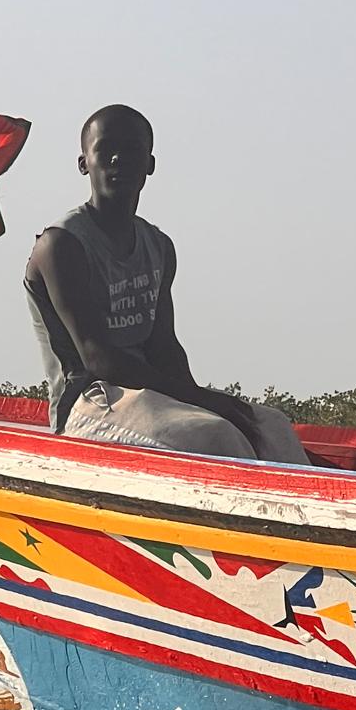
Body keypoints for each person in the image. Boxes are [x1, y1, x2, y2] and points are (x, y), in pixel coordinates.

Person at [23, 104, 309, 463]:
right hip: (91, 400)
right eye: (105, 149)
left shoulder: (158, 246)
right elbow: (99, 359)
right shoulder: (62, 244)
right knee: (214, 435)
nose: (118, 159)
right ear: (84, 163)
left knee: (271, 426)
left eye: (132, 151)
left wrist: (200, 397)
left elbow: (164, 347)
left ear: (150, 164)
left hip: (153, 395)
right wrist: (203, 403)